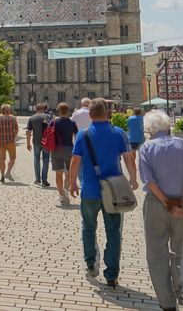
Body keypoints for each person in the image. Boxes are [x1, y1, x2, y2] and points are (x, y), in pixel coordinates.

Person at [139, 110, 183, 311]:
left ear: (149, 129)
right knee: (180, 249)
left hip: (157, 205)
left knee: (157, 253)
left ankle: (167, 302)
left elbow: (149, 182)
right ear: (168, 126)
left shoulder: (147, 148)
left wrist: (168, 203)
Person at [69, 98, 138, 287]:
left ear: (90, 115)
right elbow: (129, 159)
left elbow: (75, 161)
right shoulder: (119, 133)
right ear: (108, 113)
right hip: (114, 191)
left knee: (89, 228)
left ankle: (91, 264)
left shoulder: (84, 135)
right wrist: (133, 178)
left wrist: (72, 183)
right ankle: (112, 274)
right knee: (114, 232)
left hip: (90, 189)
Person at [51, 102, 78, 205]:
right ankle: (66, 193)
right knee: (68, 173)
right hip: (69, 149)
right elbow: (76, 136)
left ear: (58, 111)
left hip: (56, 149)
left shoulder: (54, 122)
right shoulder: (72, 123)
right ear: (68, 111)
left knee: (58, 174)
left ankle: (61, 195)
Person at [26, 103, 53, 187]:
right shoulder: (49, 116)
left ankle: (37, 179)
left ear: (36, 109)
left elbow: (29, 131)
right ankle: (44, 179)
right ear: (45, 109)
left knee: (36, 159)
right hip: (46, 141)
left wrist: (28, 143)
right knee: (46, 160)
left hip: (36, 141)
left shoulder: (32, 117)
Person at [0, 104, 19, 183]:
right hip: (10, 141)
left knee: (1, 159)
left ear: (1, 110)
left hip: (1, 142)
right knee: (13, 158)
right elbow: (16, 129)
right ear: (9, 110)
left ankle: (2, 175)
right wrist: (13, 137)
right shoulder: (13, 118)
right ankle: (8, 172)